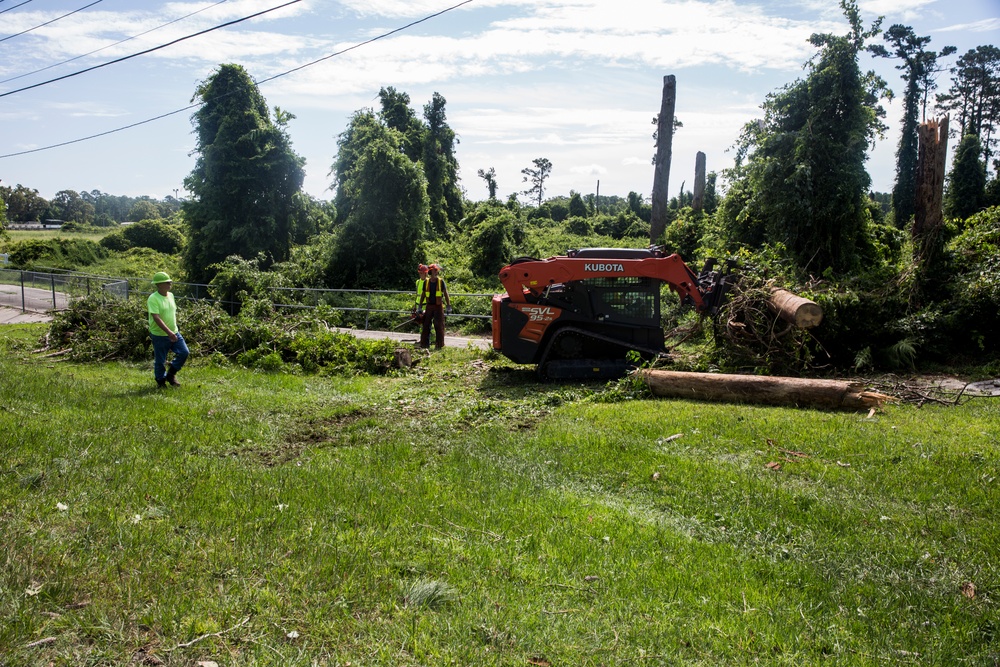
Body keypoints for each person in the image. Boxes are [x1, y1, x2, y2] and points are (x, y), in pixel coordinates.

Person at [147, 272, 189, 388]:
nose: (170, 283)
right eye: (167, 282)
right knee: (160, 360)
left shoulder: (171, 295)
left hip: (174, 332)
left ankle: (171, 374)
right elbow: (156, 318)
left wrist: (173, 331)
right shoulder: (153, 298)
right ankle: (161, 381)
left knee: (184, 352)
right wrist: (168, 332)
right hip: (160, 335)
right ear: (159, 284)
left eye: (170, 281)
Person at [417, 263, 451, 349]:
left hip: (438, 306)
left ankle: (439, 345)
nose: (436, 272)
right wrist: (420, 306)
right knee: (426, 325)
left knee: (439, 325)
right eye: (434, 271)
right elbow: (423, 294)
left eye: (437, 271)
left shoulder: (441, 281)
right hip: (429, 306)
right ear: (430, 272)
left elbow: (446, 294)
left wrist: (448, 306)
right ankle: (424, 345)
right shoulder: (426, 282)